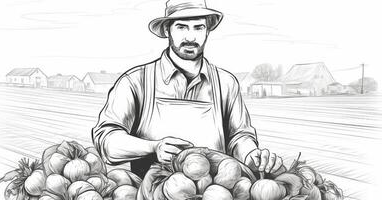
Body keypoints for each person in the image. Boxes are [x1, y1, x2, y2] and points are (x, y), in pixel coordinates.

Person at [92, 0, 283, 179]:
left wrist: (251, 155)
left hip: (217, 193)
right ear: (167, 30)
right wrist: (153, 147)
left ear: (207, 31)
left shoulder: (226, 83)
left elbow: (239, 136)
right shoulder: (135, 81)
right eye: (181, 27)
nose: (191, 37)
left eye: (198, 27)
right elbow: (107, 140)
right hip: (150, 192)